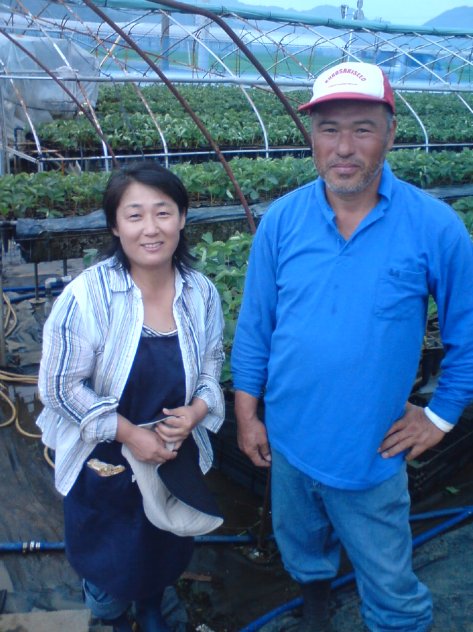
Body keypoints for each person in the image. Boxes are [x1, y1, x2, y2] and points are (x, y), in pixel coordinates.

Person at [231, 61, 473, 632]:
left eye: (362, 129)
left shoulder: (435, 227)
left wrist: (440, 416)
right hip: (288, 439)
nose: (344, 147)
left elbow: (466, 334)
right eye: (329, 128)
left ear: (390, 133)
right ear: (311, 136)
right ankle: (314, 593)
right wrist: (247, 415)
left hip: (371, 455)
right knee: (300, 539)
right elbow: (256, 325)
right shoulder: (283, 221)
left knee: (390, 583)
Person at [36, 161, 225, 632]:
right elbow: (58, 387)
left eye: (163, 212)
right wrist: (129, 435)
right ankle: (112, 616)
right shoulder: (86, 297)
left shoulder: (199, 292)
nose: (151, 228)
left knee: (163, 540)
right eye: (135, 215)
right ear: (115, 226)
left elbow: (211, 361)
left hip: (172, 452)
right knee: (108, 555)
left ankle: (152, 605)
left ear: (182, 218)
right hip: (105, 460)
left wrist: (197, 410)